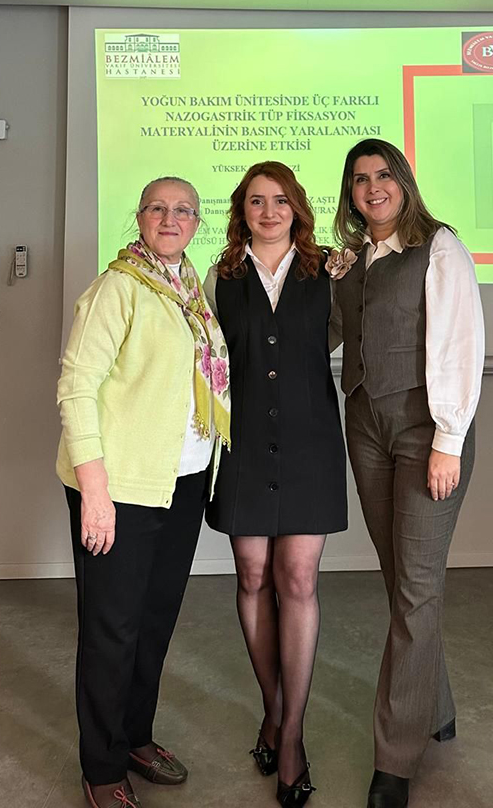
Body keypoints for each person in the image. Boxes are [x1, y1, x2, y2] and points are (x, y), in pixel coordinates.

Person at [56, 176, 231, 808]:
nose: (171, 217)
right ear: (140, 216)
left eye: (184, 210)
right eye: (158, 207)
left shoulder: (190, 291)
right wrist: (95, 492)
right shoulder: (118, 287)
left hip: (181, 482)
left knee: (153, 622)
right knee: (112, 629)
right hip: (120, 489)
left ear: (197, 223)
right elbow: (76, 387)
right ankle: (102, 768)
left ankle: (134, 736)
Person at [328, 140, 484, 808]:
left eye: (383, 174)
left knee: (417, 590)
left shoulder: (439, 248)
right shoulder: (353, 260)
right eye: (360, 179)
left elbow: (460, 343)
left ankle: (394, 759)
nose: (373, 187)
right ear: (350, 192)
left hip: (426, 432)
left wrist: (449, 438)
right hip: (365, 425)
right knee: (402, 581)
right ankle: (435, 707)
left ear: (404, 181)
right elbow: (330, 336)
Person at [204, 161, 347, 808]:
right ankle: (272, 708)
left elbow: (343, 338)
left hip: (311, 443)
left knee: (298, 579)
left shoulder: (331, 272)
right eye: (257, 201)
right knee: (253, 575)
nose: (269, 211)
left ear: (297, 208)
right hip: (244, 446)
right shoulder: (221, 277)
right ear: (242, 209)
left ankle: (291, 735)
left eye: (281, 200)